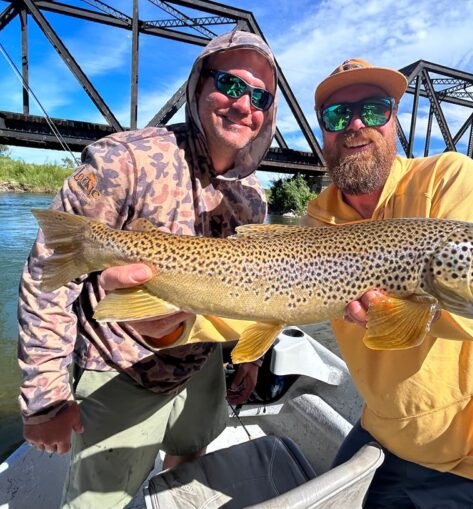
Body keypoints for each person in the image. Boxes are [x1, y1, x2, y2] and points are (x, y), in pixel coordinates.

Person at [18, 30, 278, 508]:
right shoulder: (124, 159)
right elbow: (46, 281)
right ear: (198, 87)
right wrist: (46, 397)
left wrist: (252, 356)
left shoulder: (254, 197)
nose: (245, 105)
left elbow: (262, 287)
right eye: (231, 85)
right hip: (122, 368)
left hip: (201, 368)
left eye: (260, 95)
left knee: (190, 461)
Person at [304, 58, 473, 508]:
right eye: (338, 115)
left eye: (373, 109)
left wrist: (394, 310)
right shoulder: (316, 225)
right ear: (323, 132)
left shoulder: (451, 177)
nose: (355, 124)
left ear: (394, 120)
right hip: (392, 436)